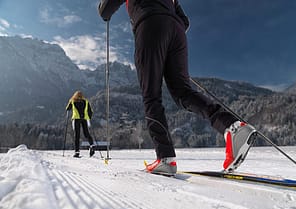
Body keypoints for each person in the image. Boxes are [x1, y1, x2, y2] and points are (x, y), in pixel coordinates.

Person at [98, 0, 256, 175]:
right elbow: (185, 20)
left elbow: (105, 10)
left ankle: (165, 158)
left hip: (149, 26)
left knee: (151, 95)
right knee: (183, 92)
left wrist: (106, 11)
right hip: (177, 31)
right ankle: (233, 126)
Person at [66, 91, 95, 158]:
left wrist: (70, 101)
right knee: (86, 133)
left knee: (77, 136)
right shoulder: (86, 101)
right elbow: (91, 111)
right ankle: (92, 145)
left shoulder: (72, 101)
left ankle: (77, 152)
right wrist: (89, 118)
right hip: (84, 119)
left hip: (76, 119)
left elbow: (67, 108)